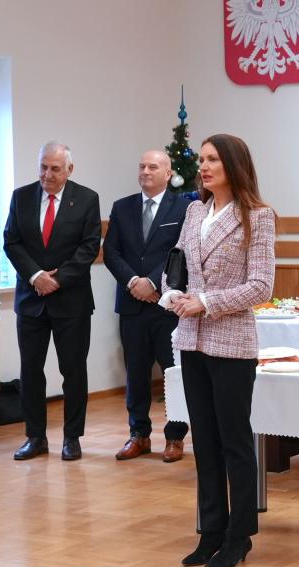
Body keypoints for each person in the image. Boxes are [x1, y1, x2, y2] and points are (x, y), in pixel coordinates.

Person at [160, 134, 275, 567]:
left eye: (213, 160)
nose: (203, 167)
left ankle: (239, 535)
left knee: (234, 442)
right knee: (204, 442)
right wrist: (172, 293)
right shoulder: (195, 211)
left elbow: (260, 286)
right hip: (191, 340)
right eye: (202, 160)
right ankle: (210, 531)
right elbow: (177, 265)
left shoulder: (257, 217)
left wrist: (206, 302)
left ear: (233, 165)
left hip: (232, 343)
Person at [2, 142, 101, 462]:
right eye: (43, 167)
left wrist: (57, 280)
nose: (47, 174)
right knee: (31, 371)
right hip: (31, 300)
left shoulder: (87, 199)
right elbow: (11, 242)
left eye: (55, 169)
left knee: (73, 371)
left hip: (72, 301)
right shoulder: (21, 197)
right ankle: (35, 437)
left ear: (69, 170)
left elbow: (89, 247)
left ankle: (72, 437)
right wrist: (36, 276)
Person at [104, 150, 190, 463]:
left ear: (169, 173)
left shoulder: (184, 208)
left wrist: (153, 283)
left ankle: (175, 437)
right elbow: (111, 252)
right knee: (136, 374)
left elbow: (180, 251)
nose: (146, 171)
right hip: (132, 305)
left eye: (153, 167)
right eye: (142, 166)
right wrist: (133, 283)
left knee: (173, 372)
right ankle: (138, 434)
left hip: (167, 306)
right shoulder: (122, 206)